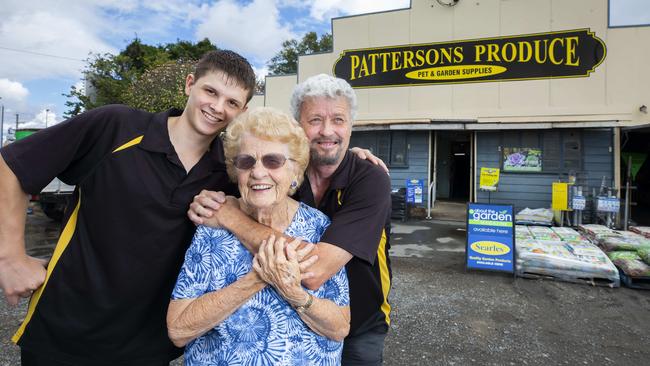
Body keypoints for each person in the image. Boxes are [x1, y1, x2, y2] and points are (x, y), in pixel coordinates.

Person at [0, 50, 257, 365]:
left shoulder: (227, 173)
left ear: (243, 111)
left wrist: (229, 210)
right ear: (190, 85)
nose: (217, 107)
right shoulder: (115, 126)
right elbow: (11, 167)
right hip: (64, 334)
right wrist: (10, 257)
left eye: (232, 102)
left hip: (148, 348)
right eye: (211, 91)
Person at [189, 73, 393, 365]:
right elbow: (239, 184)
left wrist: (230, 218)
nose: (327, 131)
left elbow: (314, 271)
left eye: (338, 120)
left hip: (360, 324)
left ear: (351, 126)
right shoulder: (279, 170)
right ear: (298, 125)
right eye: (315, 120)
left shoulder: (370, 178)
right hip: (296, 319)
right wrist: (211, 202)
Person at [167, 107, 350, 365]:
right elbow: (178, 330)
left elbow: (340, 327)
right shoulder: (213, 226)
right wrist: (258, 278)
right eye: (246, 161)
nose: (258, 172)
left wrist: (295, 294)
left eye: (273, 161)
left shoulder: (319, 227)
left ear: (295, 172)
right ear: (235, 171)